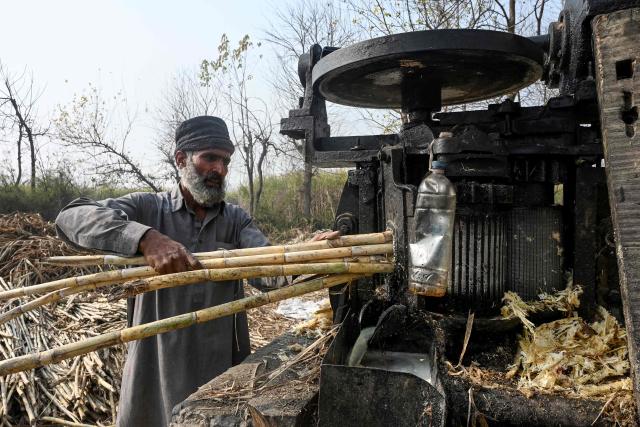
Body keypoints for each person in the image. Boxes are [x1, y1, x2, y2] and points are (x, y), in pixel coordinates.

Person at [56, 116, 298, 426]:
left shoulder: (235, 219)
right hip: (155, 368)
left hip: (221, 369)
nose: (220, 170)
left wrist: (311, 260)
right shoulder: (148, 209)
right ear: (181, 159)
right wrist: (145, 238)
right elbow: (71, 216)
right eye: (209, 158)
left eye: (225, 161)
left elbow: (270, 267)